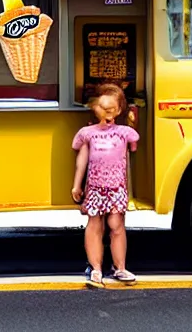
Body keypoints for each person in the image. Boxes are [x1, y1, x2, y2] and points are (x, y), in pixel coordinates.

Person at [71, 83, 140, 289]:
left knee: (116, 226)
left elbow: (130, 153)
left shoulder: (125, 132)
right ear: (94, 108)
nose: (107, 113)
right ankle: (96, 268)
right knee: (94, 226)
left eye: (111, 109)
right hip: (94, 188)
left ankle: (120, 266)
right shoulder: (87, 133)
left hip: (117, 187)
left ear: (119, 110)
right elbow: (81, 160)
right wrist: (77, 185)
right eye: (102, 108)